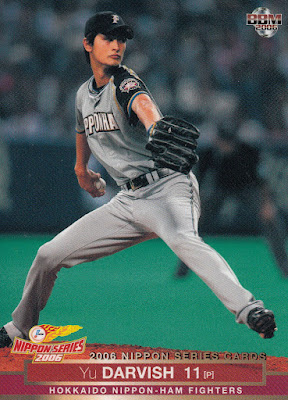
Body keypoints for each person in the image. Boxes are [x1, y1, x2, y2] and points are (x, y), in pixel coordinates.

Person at [0, 11, 276, 347]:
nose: (117, 45)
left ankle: (249, 309)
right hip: (127, 201)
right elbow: (81, 132)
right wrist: (81, 171)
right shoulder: (82, 96)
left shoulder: (125, 82)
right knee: (47, 255)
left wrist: (155, 126)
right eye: (107, 37)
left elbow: (143, 104)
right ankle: (20, 326)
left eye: (121, 39)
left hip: (167, 187)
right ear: (88, 44)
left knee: (184, 241)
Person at [175, 127, 288, 278]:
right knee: (196, 226)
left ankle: (285, 268)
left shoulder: (248, 152)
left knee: (272, 222)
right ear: (217, 141)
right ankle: (183, 269)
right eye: (223, 143)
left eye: (229, 143)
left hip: (247, 189)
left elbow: (263, 181)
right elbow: (199, 182)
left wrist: (267, 204)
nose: (226, 147)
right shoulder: (209, 154)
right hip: (221, 189)